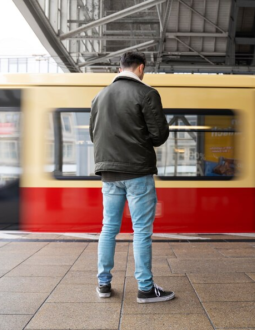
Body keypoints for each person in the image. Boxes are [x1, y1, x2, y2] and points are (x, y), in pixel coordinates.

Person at [89, 52, 174, 304]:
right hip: (138, 172)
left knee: (108, 228)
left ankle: (104, 285)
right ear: (140, 68)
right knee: (141, 231)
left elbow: (95, 135)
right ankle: (145, 289)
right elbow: (159, 136)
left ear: (119, 68)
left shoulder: (99, 96)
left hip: (108, 174)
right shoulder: (147, 93)